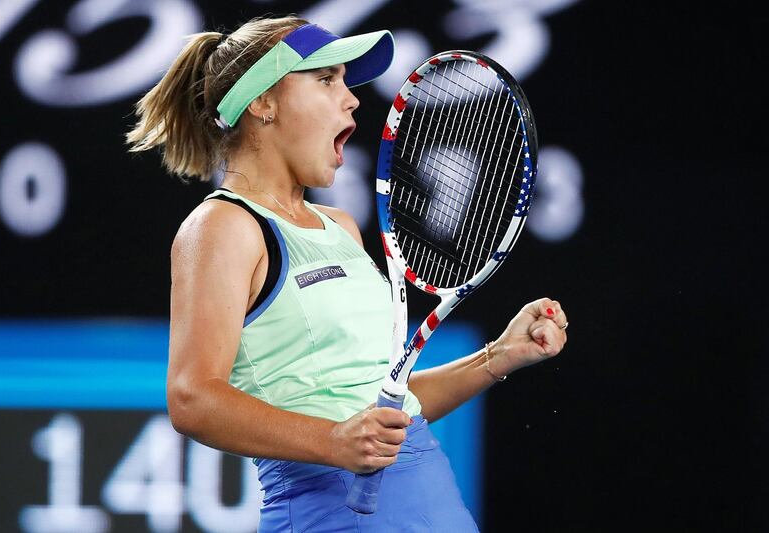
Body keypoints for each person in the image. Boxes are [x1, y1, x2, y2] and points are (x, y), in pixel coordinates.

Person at [127, 14, 568, 532]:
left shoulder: (339, 227)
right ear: (263, 102)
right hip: (330, 517)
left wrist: (498, 356)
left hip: (433, 506)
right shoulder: (223, 225)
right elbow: (192, 398)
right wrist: (333, 442)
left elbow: (381, 405)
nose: (352, 98)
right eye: (325, 79)